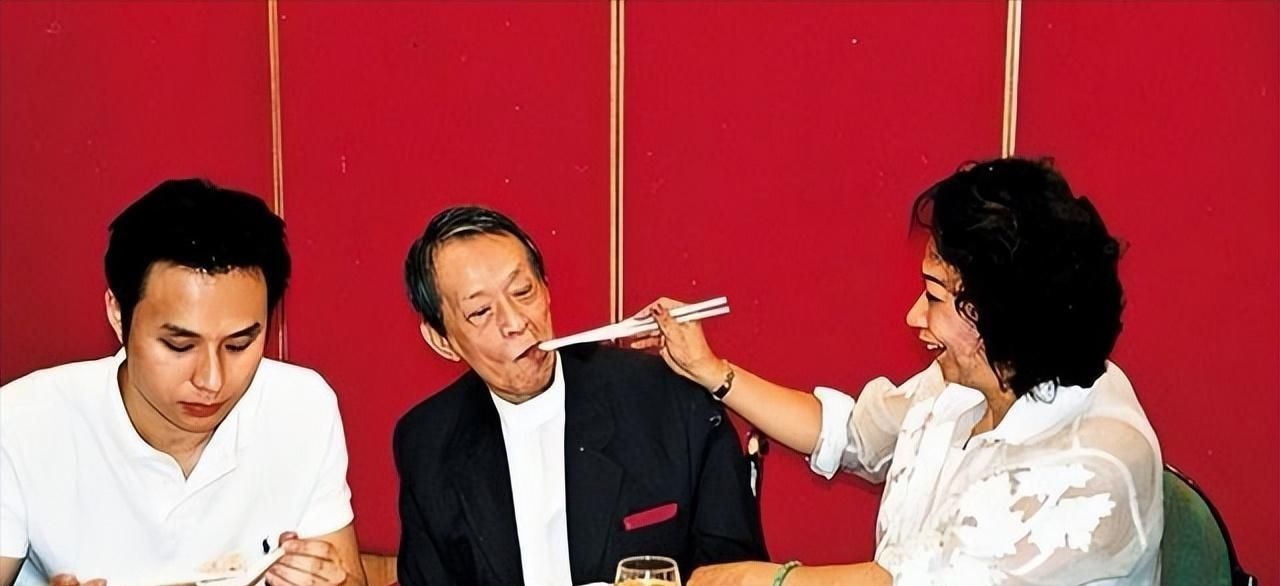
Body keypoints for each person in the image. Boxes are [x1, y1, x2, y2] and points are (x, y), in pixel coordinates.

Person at [636, 158, 1163, 585]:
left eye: (933, 295)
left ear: (1000, 312)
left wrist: (770, 581)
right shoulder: (973, 380)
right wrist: (712, 371)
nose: (914, 317)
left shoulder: (1093, 465)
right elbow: (855, 434)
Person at [0, 179, 365, 586]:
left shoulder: (302, 407)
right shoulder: (21, 424)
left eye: (238, 345)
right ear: (118, 313)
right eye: (179, 345)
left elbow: (347, 577)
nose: (211, 380)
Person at [394, 206, 767, 586]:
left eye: (523, 292)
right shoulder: (428, 441)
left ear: (546, 290)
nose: (516, 322)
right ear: (441, 340)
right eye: (480, 312)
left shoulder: (670, 400)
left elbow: (738, 574)